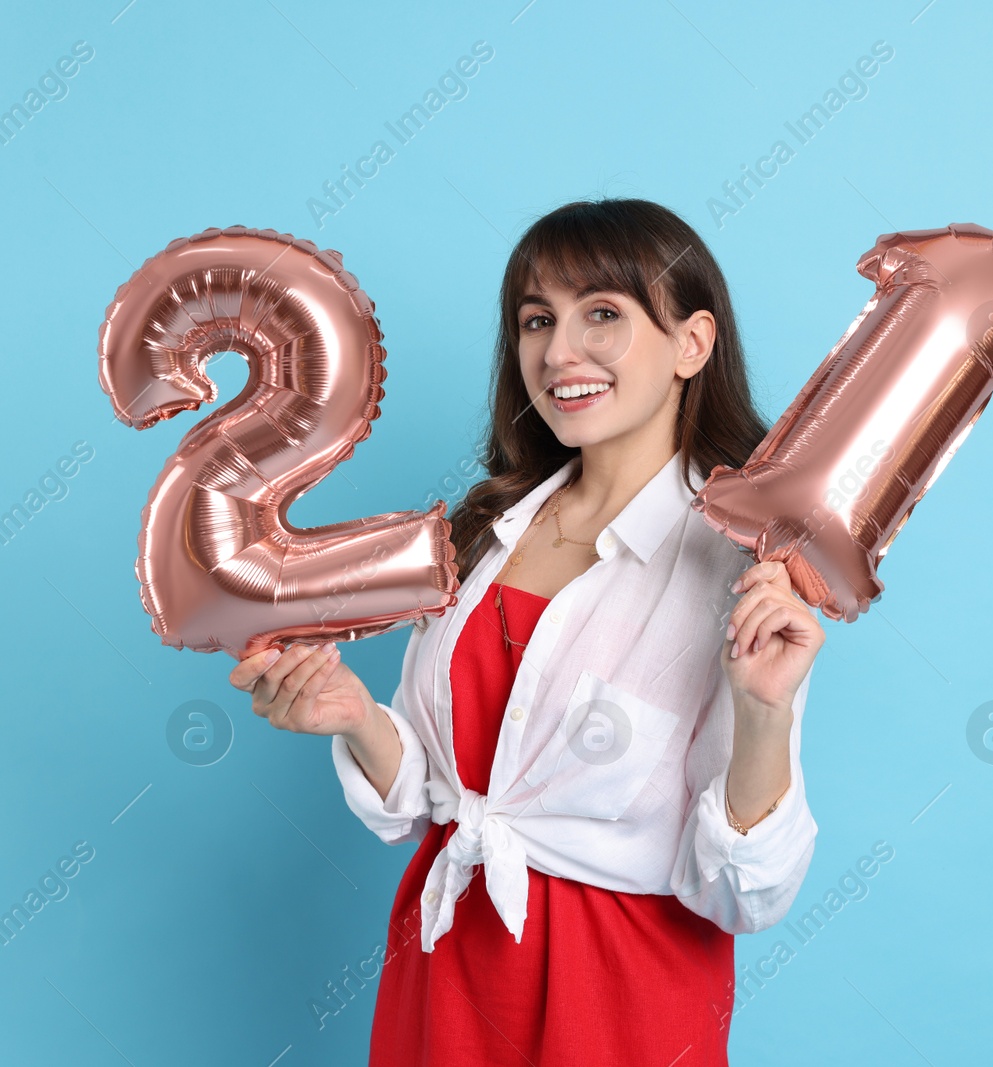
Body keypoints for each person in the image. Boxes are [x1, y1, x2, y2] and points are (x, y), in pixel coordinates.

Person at [227, 198, 825, 1066]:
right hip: (446, 966)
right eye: (537, 320)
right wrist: (353, 716)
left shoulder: (741, 570)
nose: (559, 352)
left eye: (604, 316)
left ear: (693, 345)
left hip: (615, 1004)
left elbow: (745, 892)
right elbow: (424, 798)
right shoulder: (481, 530)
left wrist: (765, 713)